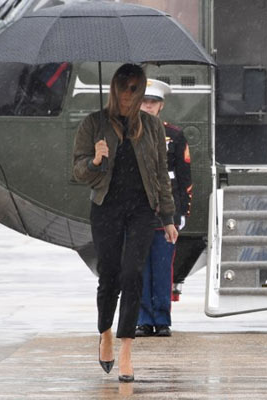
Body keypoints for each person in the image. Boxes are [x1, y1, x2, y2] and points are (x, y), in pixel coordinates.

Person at [72, 64, 178, 382]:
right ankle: (105, 332)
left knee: (133, 275)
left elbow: (161, 174)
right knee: (110, 276)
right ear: (115, 88)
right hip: (106, 210)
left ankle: (127, 349)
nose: (129, 94)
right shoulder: (94, 124)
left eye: (135, 88)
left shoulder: (151, 126)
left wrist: (169, 217)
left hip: (142, 211)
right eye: (124, 87)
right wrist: (95, 159)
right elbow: (78, 171)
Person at [135, 78, 192, 338]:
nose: (148, 107)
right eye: (144, 101)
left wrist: (181, 214)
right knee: (139, 269)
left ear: (161, 106)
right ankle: (143, 319)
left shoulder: (175, 136)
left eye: (153, 102)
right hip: (137, 212)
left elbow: (184, 178)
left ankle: (162, 319)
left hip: (165, 213)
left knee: (162, 268)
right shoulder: (127, 133)